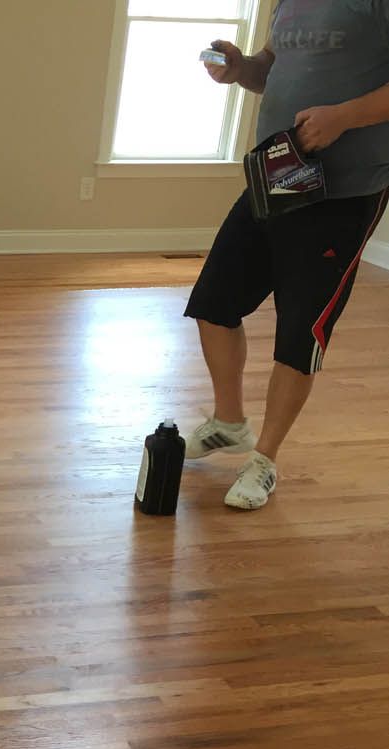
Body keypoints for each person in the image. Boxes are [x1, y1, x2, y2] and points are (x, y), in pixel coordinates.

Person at [185, 1, 389, 509]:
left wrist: (343, 117)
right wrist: (239, 69)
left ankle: (265, 460)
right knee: (213, 302)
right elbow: (268, 70)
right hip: (275, 175)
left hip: (347, 191)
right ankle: (228, 422)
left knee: (301, 329)